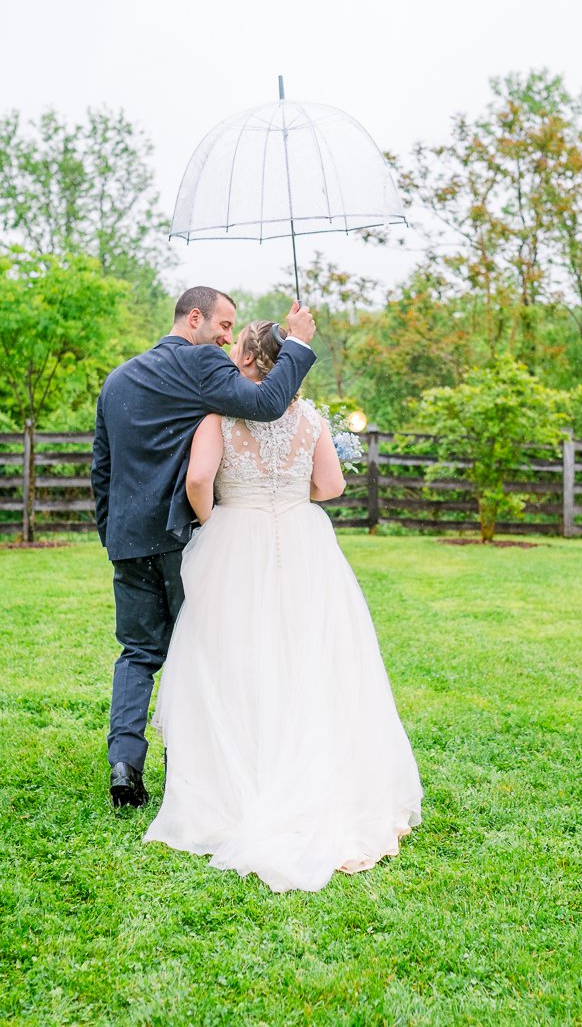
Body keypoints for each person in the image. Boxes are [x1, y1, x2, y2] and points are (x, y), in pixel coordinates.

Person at [144, 320, 422, 893]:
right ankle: (323, 780)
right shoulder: (311, 419)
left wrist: (213, 517)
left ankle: (237, 782)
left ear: (244, 359)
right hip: (303, 538)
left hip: (236, 535)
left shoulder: (219, 416)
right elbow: (333, 486)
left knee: (234, 656)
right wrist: (290, 493)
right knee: (311, 653)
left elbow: (199, 479)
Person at [91, 287, 317, 810]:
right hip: (181, 537)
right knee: (205, 647)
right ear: (194, 317)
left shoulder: (117, 379)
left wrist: (111, 532)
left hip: (127, 538)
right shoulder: (201, 365)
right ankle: (198, 766)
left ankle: (125, 763)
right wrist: (299, 346)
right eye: (222, 325)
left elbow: (101, 468)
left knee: (138, 653)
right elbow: (264, 403)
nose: (224, 337)